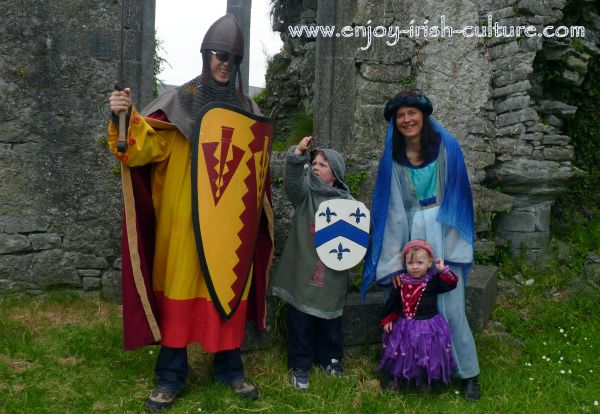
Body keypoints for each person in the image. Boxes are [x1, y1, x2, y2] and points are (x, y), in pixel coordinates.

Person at [107, 14, 274, 412]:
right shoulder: (178, 104)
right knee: (180, 295)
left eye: (233, 59)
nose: (225, 64)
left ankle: (230, 369)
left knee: (227, 289)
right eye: (219, 55)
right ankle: (170, 376)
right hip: (182, 225)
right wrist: (122, 114)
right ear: (205, 55)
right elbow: (140, 149)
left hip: (228, 228)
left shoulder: (249, 109)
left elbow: (257, 173)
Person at [361, 90, 481, 401]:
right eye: (400, 115)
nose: (406, 120)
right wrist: (394, 266)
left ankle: (467, 373)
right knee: (411, 312)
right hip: (411, 241)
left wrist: (453, 252)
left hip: (445, 233)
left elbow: (459, 198)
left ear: (423, 116)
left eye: (412, 113)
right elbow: (392, 213)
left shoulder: (446, 149)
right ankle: (415, 370)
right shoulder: (394, 160)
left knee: (452, 309)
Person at [271, 136, 353, 391]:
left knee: (330, 321)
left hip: (332, 275)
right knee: (301, 320)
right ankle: (300, 365)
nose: (316, 167)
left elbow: (356, 238)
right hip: (304, 270)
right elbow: (293, 184)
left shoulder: (349, 205)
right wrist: (298, 156)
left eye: (323, 164)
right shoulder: (306, 195)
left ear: (335, 173)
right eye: (314, 163)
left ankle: (330, 360)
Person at [379, 239, 457, 391]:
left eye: (419, 263)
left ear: (429, 263)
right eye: (410, 263)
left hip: (428, 325)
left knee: (425, 353)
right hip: (404, 326)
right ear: (405, 264)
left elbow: (451, 284)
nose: (414, 267)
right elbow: (393, 302)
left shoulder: (433, 280)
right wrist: (388, 319)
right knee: (403, 353)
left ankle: (423, 380)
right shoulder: (401, 281)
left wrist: (443, 270)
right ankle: (398, 379)